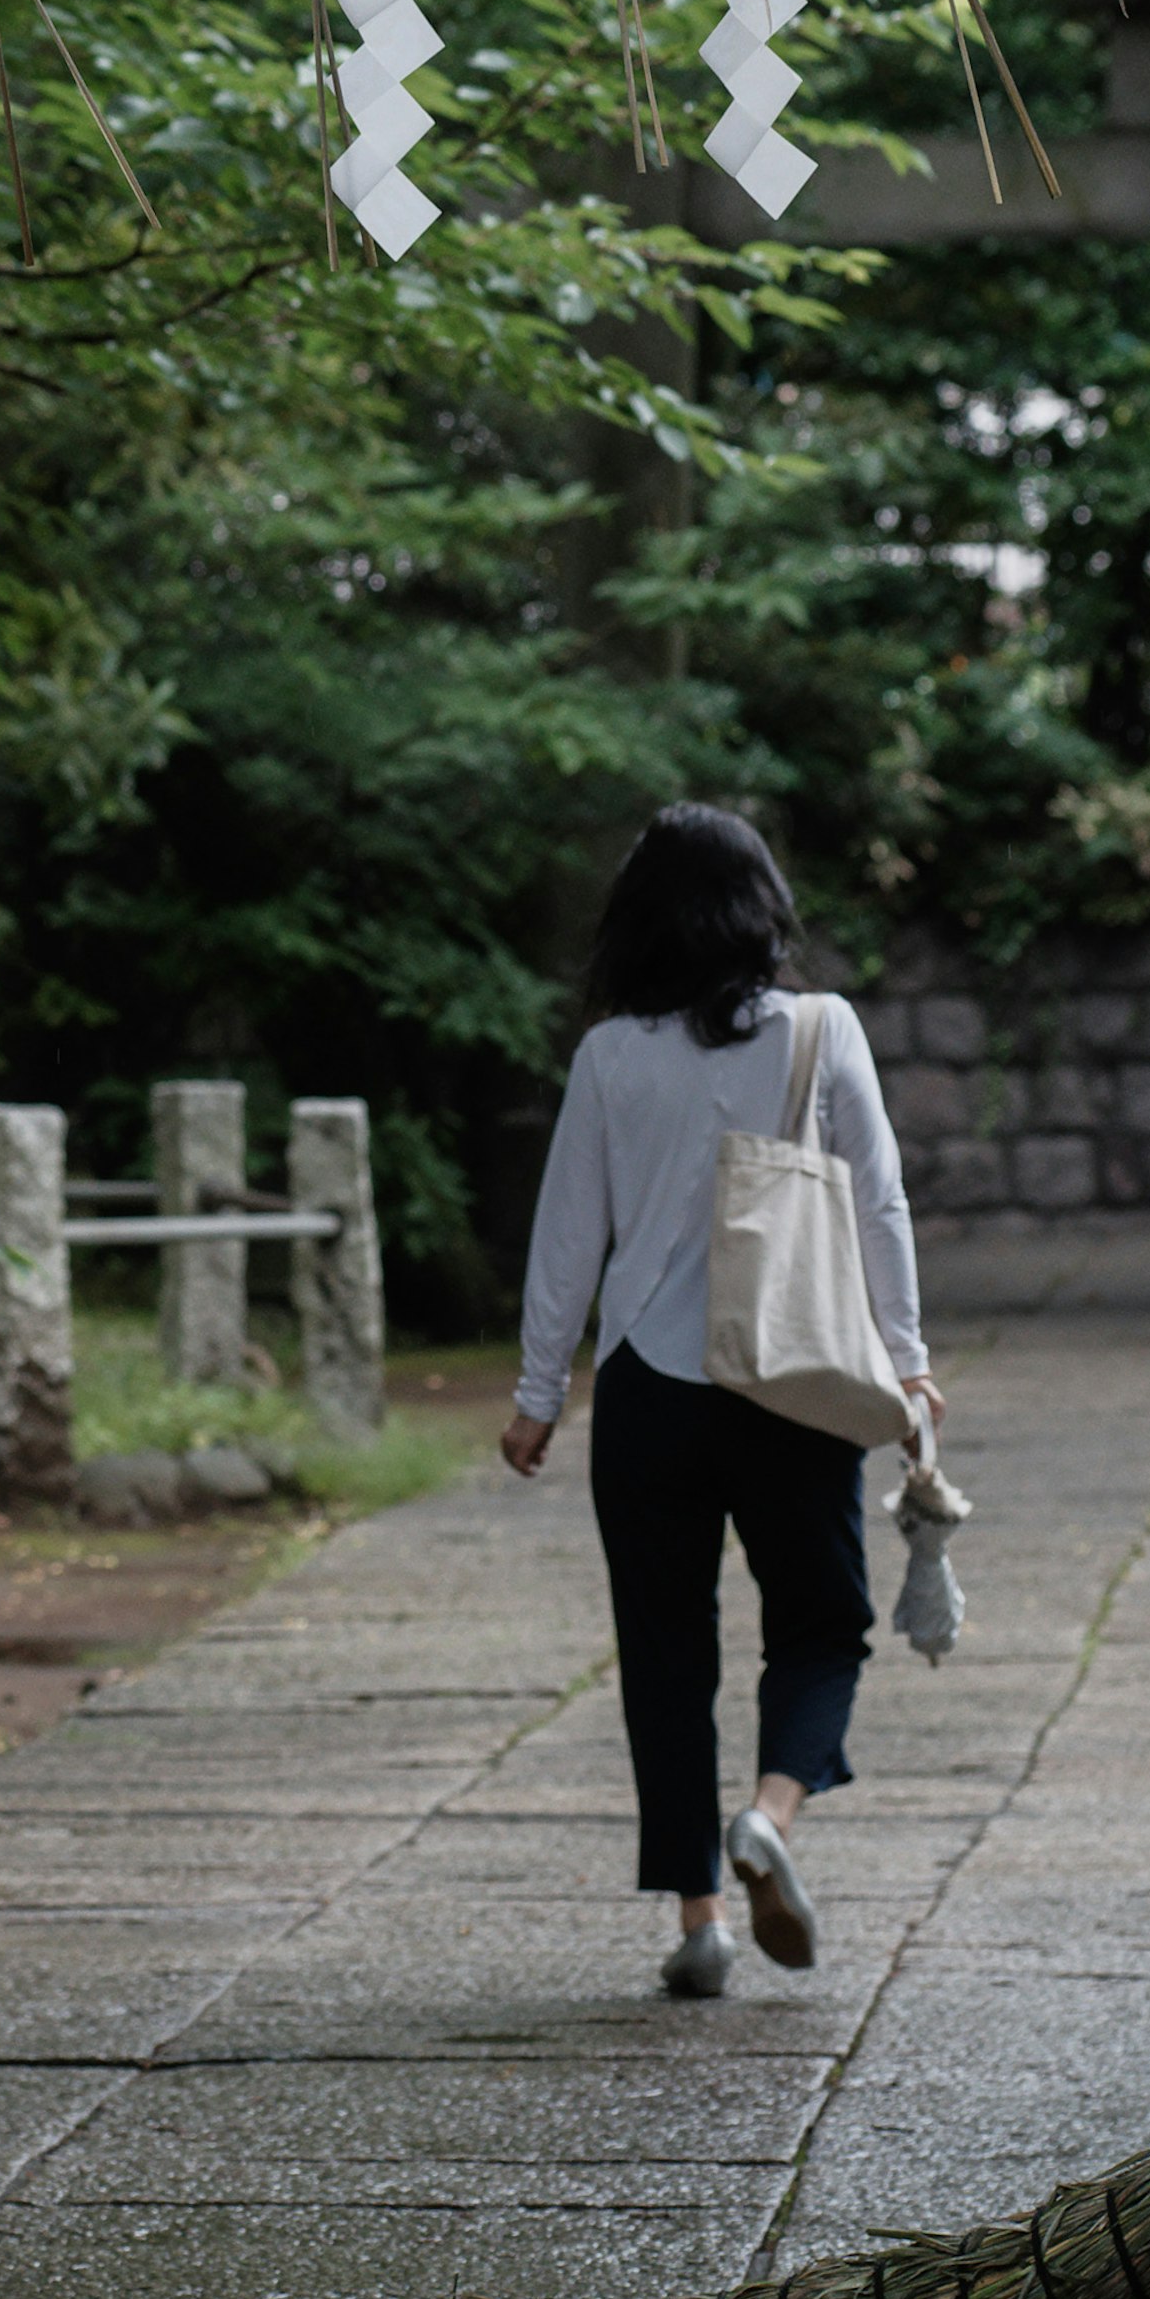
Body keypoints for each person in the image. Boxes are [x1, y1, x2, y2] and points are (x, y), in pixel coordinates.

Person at [501, 800, 937, 1998]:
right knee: (818, 1623)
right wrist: (905, 1363)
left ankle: (699, 1917)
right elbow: (878, 1204)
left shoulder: (607, 1057)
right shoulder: (821, 1028)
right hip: (790, 1378)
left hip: (649, 1390)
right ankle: (771, 1819)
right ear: (763, 913)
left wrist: (540, 1394)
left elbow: (566, 1240)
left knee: (662, 1647)